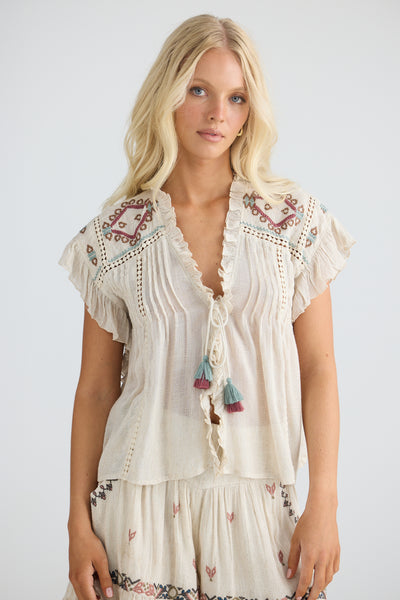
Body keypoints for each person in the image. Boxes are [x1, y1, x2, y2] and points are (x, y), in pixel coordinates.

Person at [59, 14, 355, 600]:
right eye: (198, 90)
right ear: (167, 93)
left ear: (250, 111)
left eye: (236, 98)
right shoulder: (117, 237)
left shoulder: (292, 223)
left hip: (260, 497)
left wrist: (324, 501)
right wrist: (77, 522)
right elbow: (94, 389)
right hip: (138, 502)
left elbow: (319, 368)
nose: (218, 113)